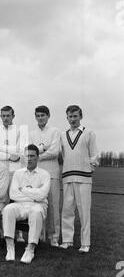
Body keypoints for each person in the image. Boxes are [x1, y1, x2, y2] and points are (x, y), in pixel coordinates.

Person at [59, 105, 99, 253]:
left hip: (84, 178)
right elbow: (63, 155)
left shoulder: (89, 133)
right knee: (67, 210)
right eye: (70, 116)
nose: (73, 119)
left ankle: (85, 243)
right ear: (67, 118)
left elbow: (94, 155)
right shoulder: (63, 135)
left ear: (80, 117)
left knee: (84, 211)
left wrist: (89, 169)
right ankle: (67, 240)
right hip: (68, 176)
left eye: (75, 116)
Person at [2, 144, 51, 264]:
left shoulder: (45, 174)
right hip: (20, 205)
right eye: (27, 156)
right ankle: (10, 247)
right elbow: (13, 194)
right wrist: (34, 194)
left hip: (38, 206)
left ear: (38, 157)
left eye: (32, 156)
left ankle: (30, 249)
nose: (29, 159)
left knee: (36, 212)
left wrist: (23, 189)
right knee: (8, 209)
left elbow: (42, 195)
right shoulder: (18, 173)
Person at [29, 105, 61, 247]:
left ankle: (54, 237)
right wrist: (43, 149)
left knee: (53, 205)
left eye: (43, 115)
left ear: (48, 116)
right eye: (38, 115)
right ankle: (40, 236)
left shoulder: (55, 131)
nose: (40, 118)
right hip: (37, 174)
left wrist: (38, 154)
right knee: (38, 204)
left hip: (52, 172)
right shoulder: (32, 133)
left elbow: (54, 152)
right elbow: (29, 153)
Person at [0, 105, 25, 242]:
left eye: (8, 115)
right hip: (0, 171)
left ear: (13, 116)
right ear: (0, 116)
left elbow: (19, 153)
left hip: (15, 171)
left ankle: (18, 234)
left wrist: (3, 151)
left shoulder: (19, 131)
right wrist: (9, 153)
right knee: (1, 201)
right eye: (3, 116)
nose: (6, 118)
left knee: (15, 201)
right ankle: (2, 232)